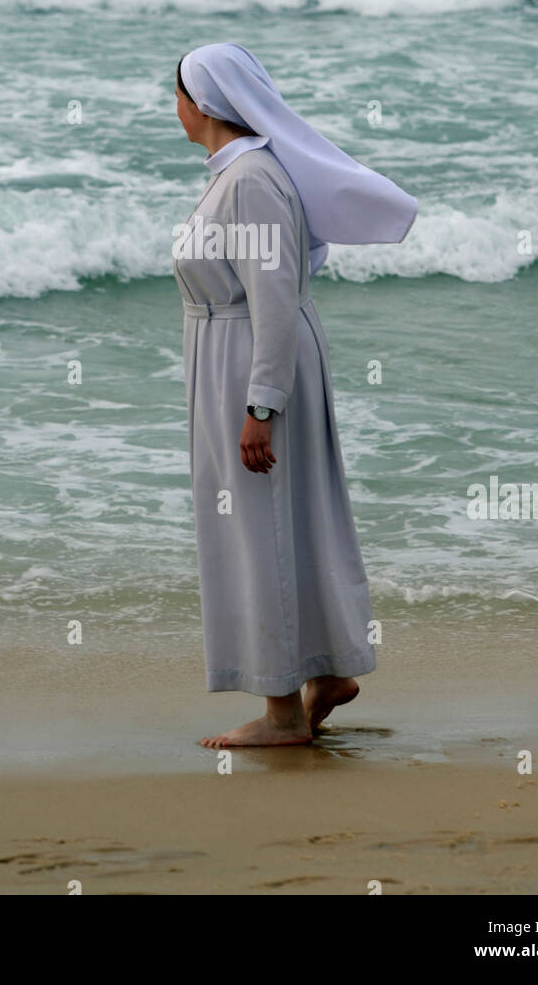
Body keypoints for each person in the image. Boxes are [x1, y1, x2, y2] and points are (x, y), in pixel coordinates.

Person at [173, 43, 417, 748]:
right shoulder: (238, 175)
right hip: (240, 360)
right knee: (284, 524)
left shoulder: (248, 179)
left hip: (252, 361)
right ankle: (327, 673)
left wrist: (260, 407)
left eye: (177, 95)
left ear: (200, 104)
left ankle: (282, 716)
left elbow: (273, 299)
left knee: (261, 530)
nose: (174, 110)